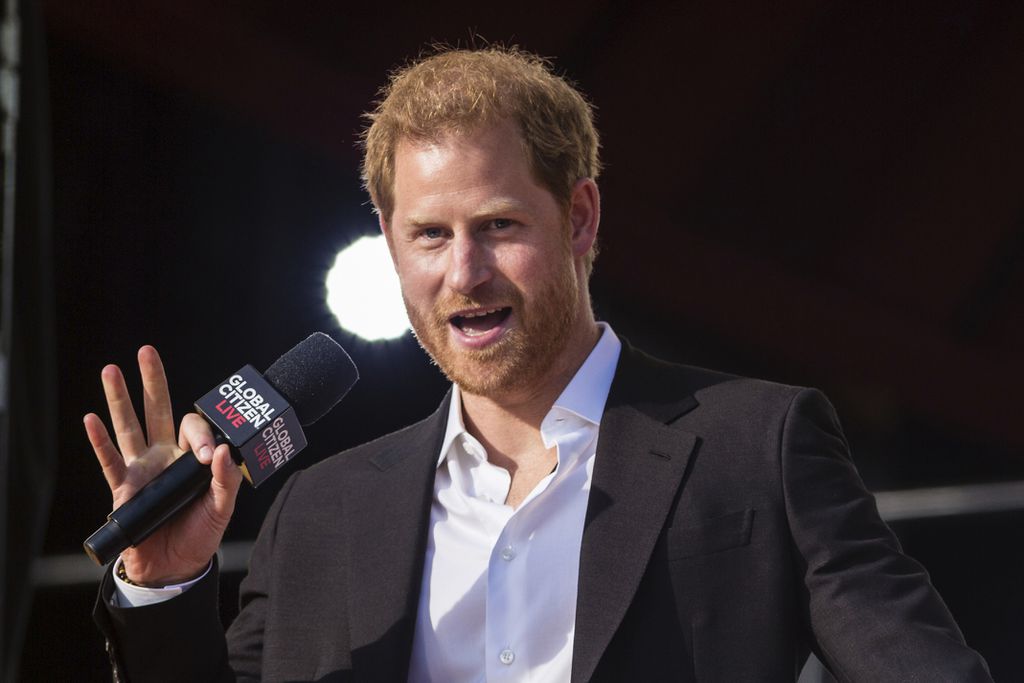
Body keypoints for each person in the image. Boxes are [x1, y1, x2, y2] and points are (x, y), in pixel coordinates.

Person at [89, 47, 992, 682]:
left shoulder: (759, 442)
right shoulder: (321, 513)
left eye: (500, 226)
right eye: (430, 235)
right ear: (392, 247)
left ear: (582, 219)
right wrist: (164, 583)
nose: (465, 272)